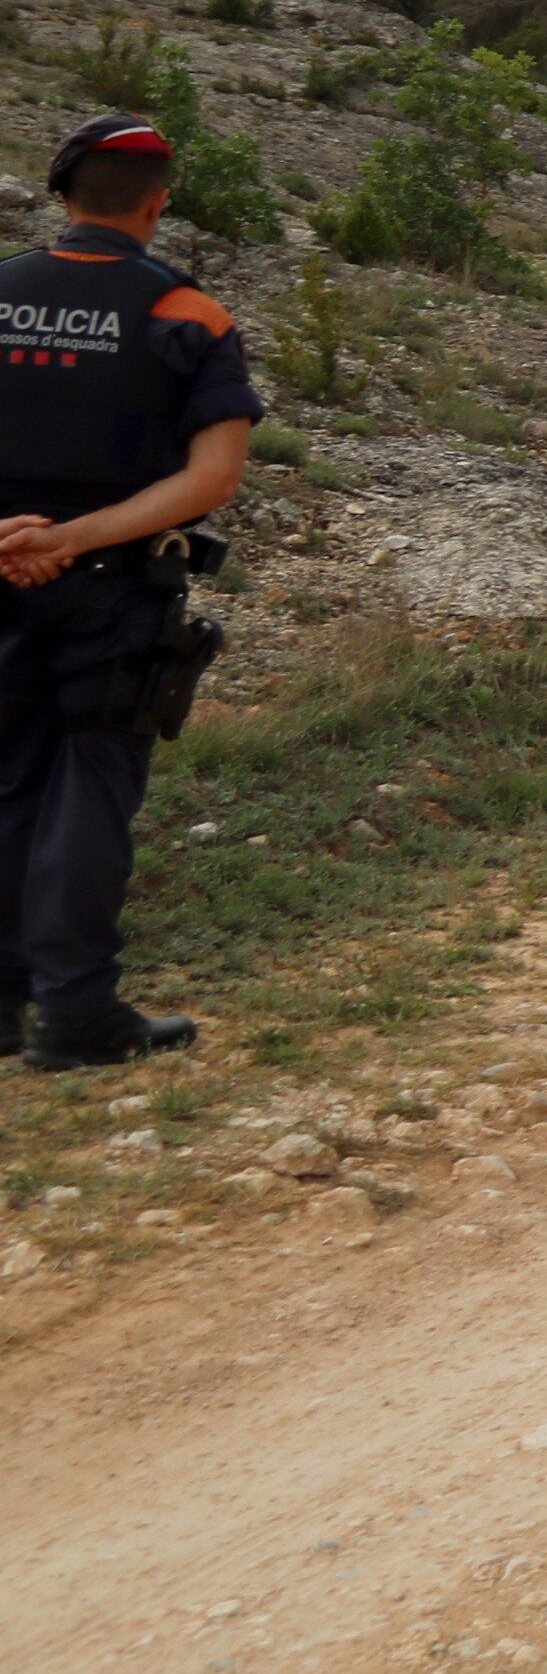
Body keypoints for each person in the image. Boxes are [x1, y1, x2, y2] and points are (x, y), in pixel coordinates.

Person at [0, 113, 259, 1072]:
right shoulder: (186, 316)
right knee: (89, 790)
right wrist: (73, 538)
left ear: (61, 195)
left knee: (9, 779)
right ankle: (74, 1014)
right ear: (157, 202)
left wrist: (16, 542)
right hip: (112, 592)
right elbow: (210, 479)